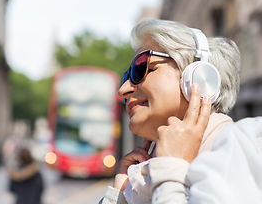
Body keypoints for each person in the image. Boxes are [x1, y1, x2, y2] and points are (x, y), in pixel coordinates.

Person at [100, 19, 262, 204]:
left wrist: (170, 169)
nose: (123, 89)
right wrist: (118, 196)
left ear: (198, 76)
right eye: (126, 77)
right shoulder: (137, 181)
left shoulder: (248, 148)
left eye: (140, 68)